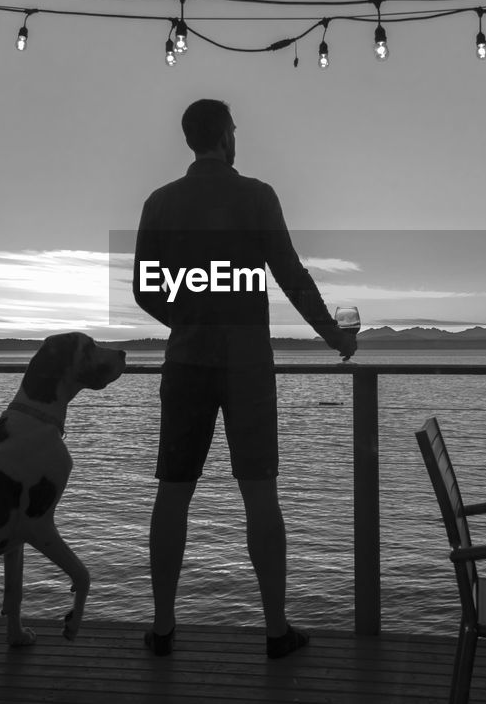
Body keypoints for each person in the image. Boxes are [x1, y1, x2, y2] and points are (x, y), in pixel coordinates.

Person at [132, 98, 356, 660]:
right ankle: (276, 631)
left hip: (185, 365)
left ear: (189, 140)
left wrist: (186, 319)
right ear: (226, 137)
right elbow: (291, 274)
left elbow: (144, 287)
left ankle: (162, 627)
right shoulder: (257, 196)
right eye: (235, 131)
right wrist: (333, 335)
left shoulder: (160, 202)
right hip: (247, 366)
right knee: (260, 495)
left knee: (173, 494)